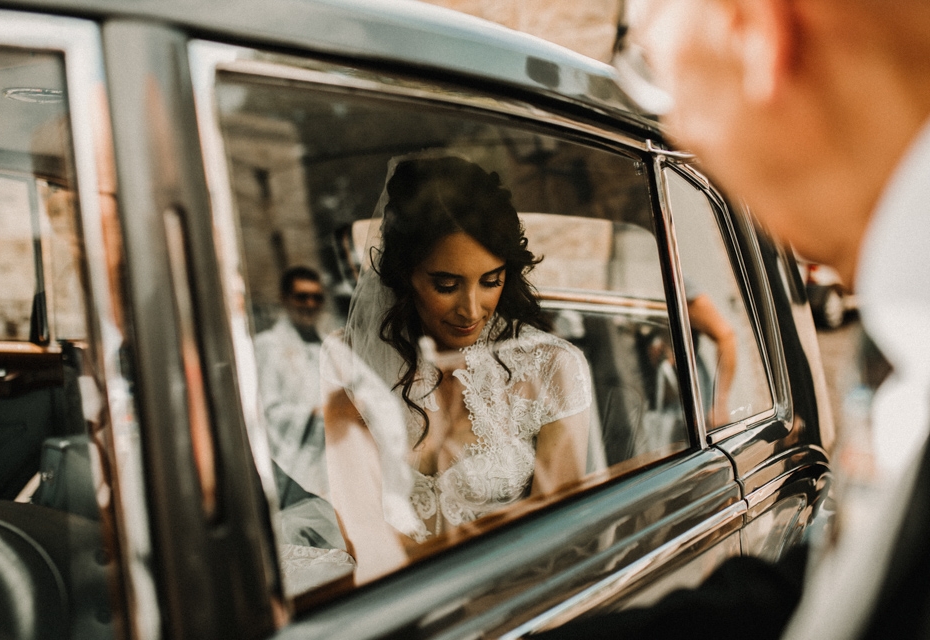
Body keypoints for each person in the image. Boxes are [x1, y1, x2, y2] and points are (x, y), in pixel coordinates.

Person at [537, 0, 930, 638]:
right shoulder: (902, 343)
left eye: (645, 64)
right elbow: (835, 588)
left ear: (753, 27)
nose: (675, 123)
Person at [321, 154, 593, 580]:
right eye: (446, 285)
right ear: (405, 275)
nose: (471, 310)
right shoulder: (350, 361)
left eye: (491, 281)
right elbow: (363, 530)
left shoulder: (553, 367)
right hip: (385, 590)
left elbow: (554, 540)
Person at [254, 265, 331, 500]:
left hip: (333, 462)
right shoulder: (267, 345)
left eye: (316, 298)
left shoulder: (328, 347)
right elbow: (266, 411)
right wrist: (316, 415)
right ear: (285, 300)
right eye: (302, 297)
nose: (310, 304)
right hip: (296, 468)